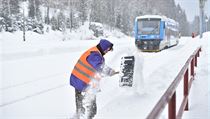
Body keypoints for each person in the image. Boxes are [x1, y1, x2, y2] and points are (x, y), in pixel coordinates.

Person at [70, 39, 119, 119]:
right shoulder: (95, 55)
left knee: (82, 107)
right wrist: (110, 72)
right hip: (82, 83)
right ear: (104, 48)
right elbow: (99, 67)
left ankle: (78, 116)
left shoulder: (95, 52)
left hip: (79, 81)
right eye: (107, 50)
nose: (107, 52)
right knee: (91, 110)